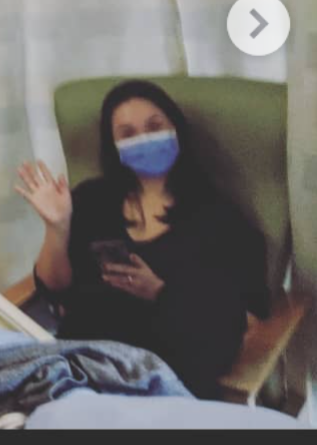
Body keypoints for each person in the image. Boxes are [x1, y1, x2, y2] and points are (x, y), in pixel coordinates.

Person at [15, 79, 269, 399]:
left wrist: (160, 293)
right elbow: (54, 288)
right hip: (80, 367)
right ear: (114, 146)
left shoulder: (217, 218)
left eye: (154, 126)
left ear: (176, 128)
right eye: (128, 134)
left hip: (164, 379)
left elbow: (240, 319)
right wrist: (58, 227)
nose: (144, 139)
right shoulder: (92, 200)